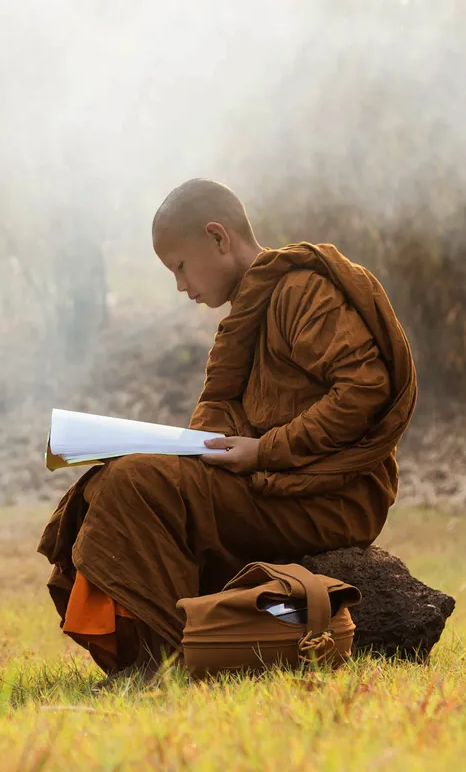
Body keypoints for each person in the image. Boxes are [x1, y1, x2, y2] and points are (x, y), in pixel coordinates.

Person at [38, 179, 417, 676]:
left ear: (219, 238)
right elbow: (217, 416)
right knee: (110, 480)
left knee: (136, 484)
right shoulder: (243, 319)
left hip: (330, 492)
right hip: (271, 484)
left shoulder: (302, 292)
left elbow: (363, 389)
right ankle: (146, 658)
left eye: (179, 266)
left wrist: (264, 451)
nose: (180, 286)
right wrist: (182, 450)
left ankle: (168, 660)